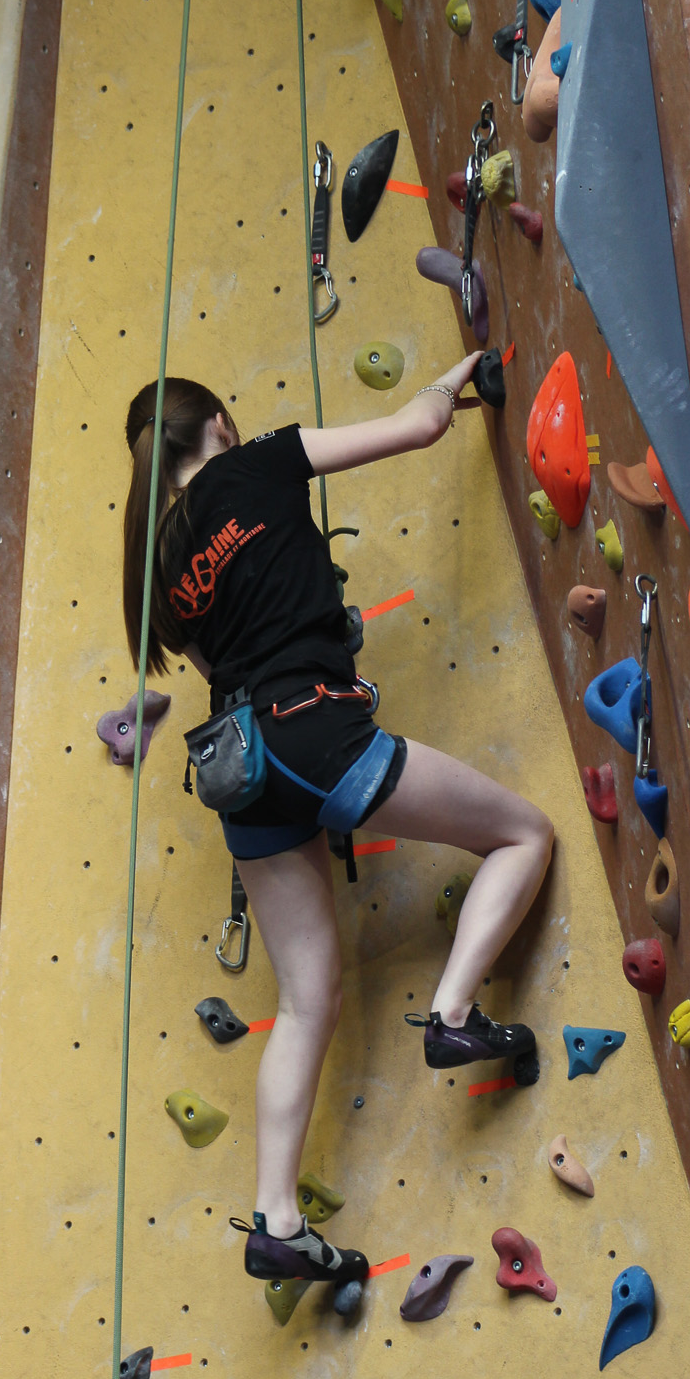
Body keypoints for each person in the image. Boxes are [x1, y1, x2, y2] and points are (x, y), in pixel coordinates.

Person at [121, 354, 554, 1294]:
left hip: (242, 773)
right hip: (308, 730)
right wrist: (453, 379)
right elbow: (417, 427)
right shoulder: (259, 461)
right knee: (523, 835)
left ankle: (277, 1220)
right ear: (221, 425)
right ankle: (451, 1013)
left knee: (306, 1001)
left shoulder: (156, 562)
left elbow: (219, 663)